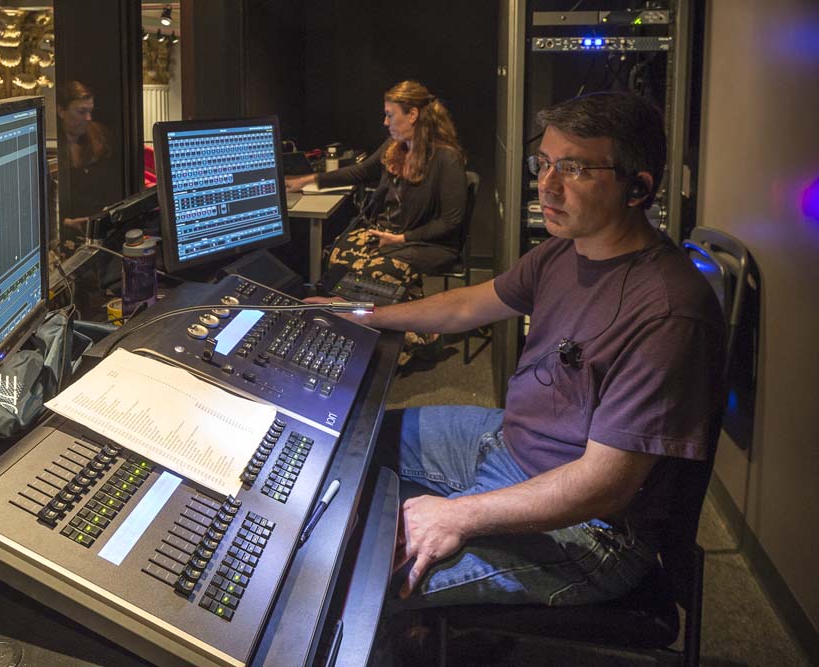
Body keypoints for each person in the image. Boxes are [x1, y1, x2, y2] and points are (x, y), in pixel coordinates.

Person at [319, 92, 725, 630]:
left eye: (575, 168)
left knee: (344, 583)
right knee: (342, 443)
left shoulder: (669, 311)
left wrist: (457, 513)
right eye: (545, 163)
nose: (547, 185)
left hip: (590, 529)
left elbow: (605, 485)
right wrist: (365, 314)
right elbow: (467, 303)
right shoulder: (564, 249)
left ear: (639, 188)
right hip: (507, 439)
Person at [286, 80, 467, 298]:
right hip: (388, 234)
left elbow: (450, 222)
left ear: (412, 115)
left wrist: (402, 239)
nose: (385, 122)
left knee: (371, 272)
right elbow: (361, 172)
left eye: (390, 115)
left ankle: (406, 322)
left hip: (423, 242)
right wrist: (308, 180)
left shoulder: (446, 158)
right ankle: (369, 318)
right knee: (337, 259)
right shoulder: (394, 146)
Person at [56, 80, 116, 254]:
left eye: (90, 111)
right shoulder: (52, 149)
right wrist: (65, 223)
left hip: (101, 231)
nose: (88, 118)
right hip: (67, 236)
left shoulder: (100, 136)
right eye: (82, 112)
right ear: (61, 111)